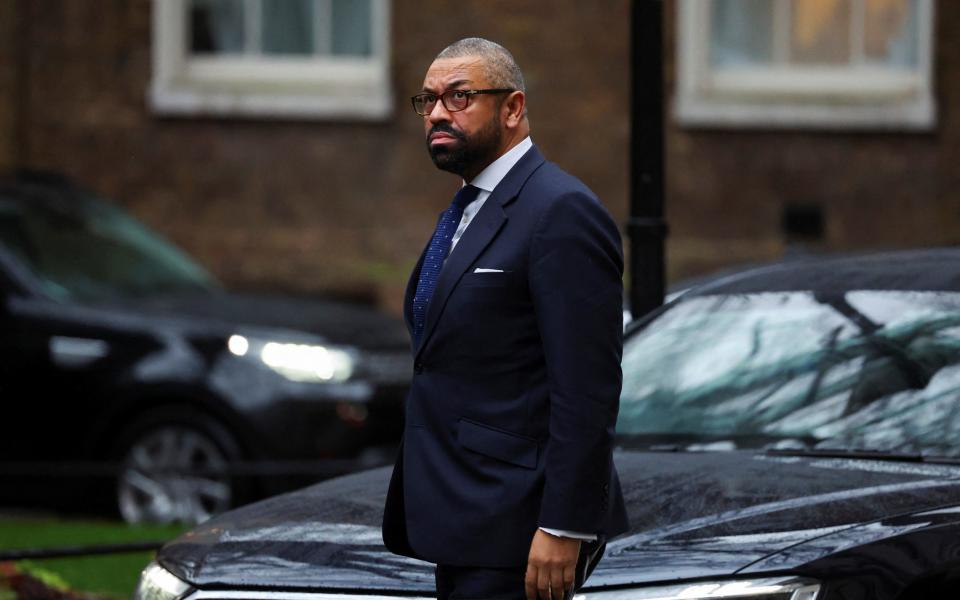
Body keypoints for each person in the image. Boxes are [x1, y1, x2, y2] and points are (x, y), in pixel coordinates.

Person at [382, 37, 628, 600]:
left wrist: (564, 525)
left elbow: (587, 387)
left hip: (519, 526)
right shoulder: (469, 207)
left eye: (460, 96)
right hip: (458, 514)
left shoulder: (561, 210)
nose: (439, 112)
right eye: (429, 100)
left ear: (513, 108)